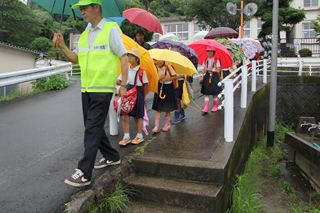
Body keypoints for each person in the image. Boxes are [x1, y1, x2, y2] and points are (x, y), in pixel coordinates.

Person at [52, 0, 128, 187]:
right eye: (80, 8)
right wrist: (62, 45)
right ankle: (112, 156)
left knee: (92, 128)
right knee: (91, 125)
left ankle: (84, 172)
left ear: (96, 7)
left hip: (102, 88)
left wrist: (124, 84)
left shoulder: (111, 29)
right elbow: (75, 59)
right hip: (86, 88)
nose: (82, 11)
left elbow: (124, 57)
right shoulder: (84, 34)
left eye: (85, 8)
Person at [117, 48, 148, 146]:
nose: (129, 58)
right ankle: (126, 136)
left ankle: (139, 136)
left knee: (138, 116)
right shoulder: (125, 69)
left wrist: (144, 97)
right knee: (125, 115)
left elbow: (145, 85)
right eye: (128, 55)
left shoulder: (142, 71)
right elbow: (119, 80)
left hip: (138, 93)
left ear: (137, 59)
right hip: (127, 93)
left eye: (131, 56)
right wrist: (120, 82)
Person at [152, 60, 178, 133]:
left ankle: (167, 124)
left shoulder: (168, 67)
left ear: (163, 60)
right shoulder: (154, 67)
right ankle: (156, 126)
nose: (158, 62)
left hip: (169, 87)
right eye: (156, 61)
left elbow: (175, 77)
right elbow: (152, 79)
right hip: (159, 87)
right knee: (158, 108)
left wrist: (166, 79)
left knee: (167, 108)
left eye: (160, 61)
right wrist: (159, 78)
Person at [200, 47, 222, 115]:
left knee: (214, 93)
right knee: (206, 93)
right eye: (207, 51)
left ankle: (216, 105)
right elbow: (203, 70)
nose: (209, 53)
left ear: (213, 52)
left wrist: (210, 69)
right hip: (207, 77)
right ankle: (206, 107)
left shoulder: (216, 60)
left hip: (214, 77)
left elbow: (218, 70)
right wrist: (203, 73)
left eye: (210, 51)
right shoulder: (205, 60)